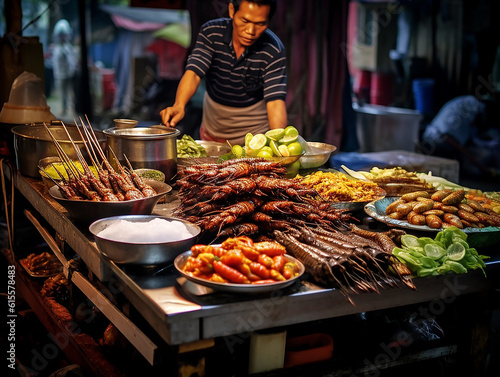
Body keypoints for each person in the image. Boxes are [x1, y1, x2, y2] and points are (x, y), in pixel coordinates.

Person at [160, 0, 287, 145]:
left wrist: (280, 144)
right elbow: (194, 73)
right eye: (245, 20)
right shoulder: (211, 33)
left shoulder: (273, 49)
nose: (251, 31)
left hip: (255, 139)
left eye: (260, 24)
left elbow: (275, 101)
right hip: (213, 131)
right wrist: (179, 105)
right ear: (232, 10)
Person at [51, 19, 77, 116]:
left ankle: (70, 108)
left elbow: (71, 61)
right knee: (63, 93)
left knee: (70, 93)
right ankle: (64, 109)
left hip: (68, 73)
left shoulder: (68, 47)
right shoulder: (57, 49)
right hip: (60, 74)